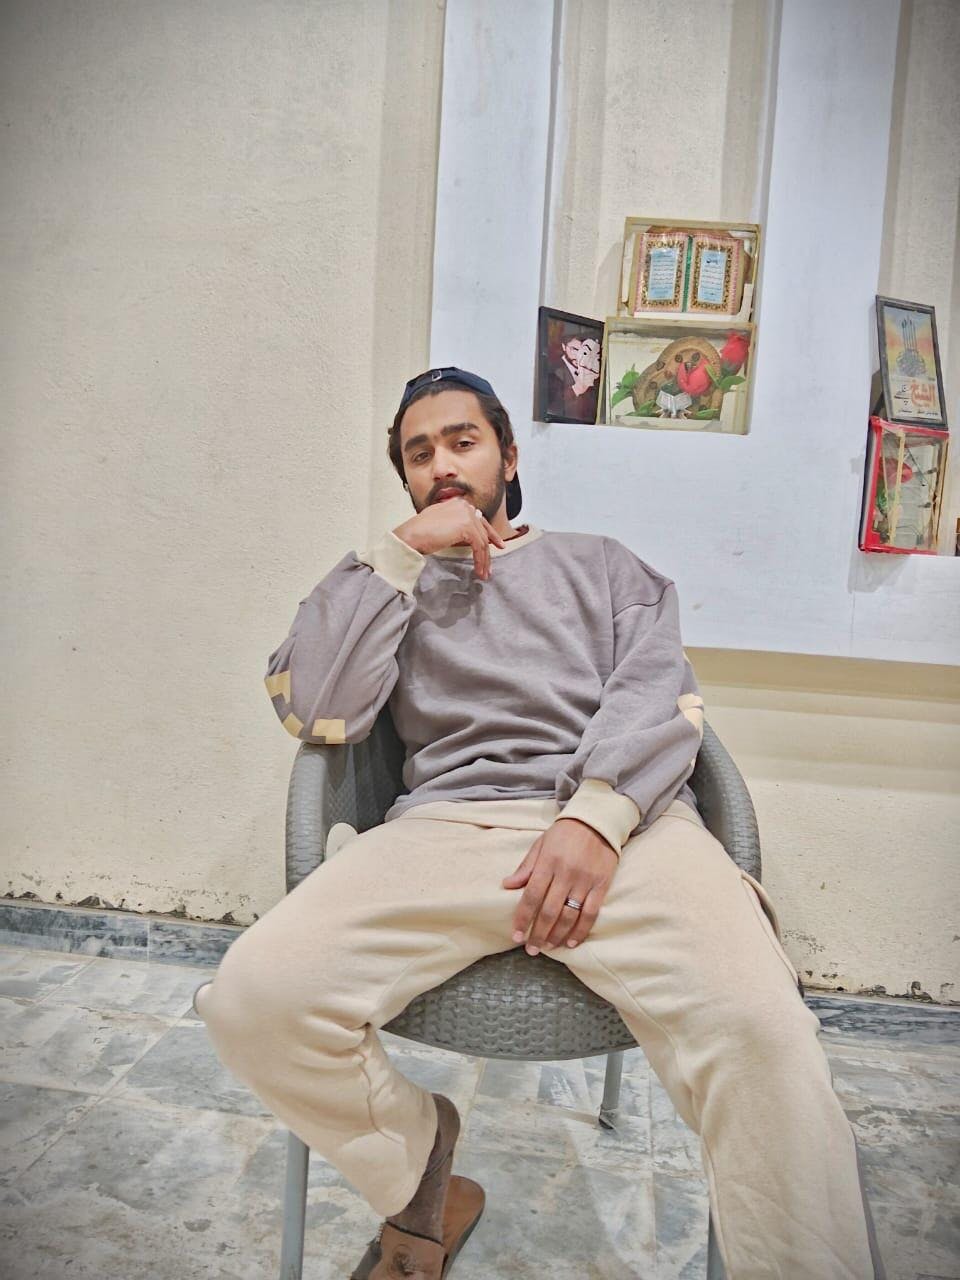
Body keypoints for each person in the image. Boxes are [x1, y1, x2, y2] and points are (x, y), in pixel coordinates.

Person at [193, 367, 885, 1279]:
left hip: (625, 830)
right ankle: (418, 1160)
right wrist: (398, 556)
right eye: (419, 454)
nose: (442, 465)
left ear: (509, 457)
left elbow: (659, 693)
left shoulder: (604, 564)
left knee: (764, 1032)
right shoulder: (390, 586)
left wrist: (596, 818)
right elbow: (315, 712)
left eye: (463, 442)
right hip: (446, 826)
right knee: (253, 1001)